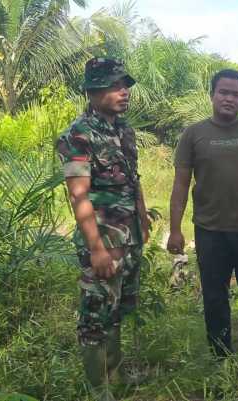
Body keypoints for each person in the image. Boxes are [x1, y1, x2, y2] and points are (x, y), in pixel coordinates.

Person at [167, 69, 238, 358]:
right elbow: (181, 185)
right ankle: (221, 356)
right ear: (212, 95)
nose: (230, 98)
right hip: (210, 231)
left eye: (236, 94)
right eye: (224, 92)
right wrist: (176, 229)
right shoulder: (194, 134)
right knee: (215, 297)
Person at [55, 57, 150, 401]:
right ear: (92, 90)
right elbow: (78, 195)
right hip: (104, 239)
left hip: (130, 237)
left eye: (125, 84)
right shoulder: (78, 134)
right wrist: (96, 247)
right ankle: (98, 390)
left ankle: (116, 374)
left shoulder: (124, 130)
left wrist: (142, 218)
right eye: (114, 85)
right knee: (95, 316)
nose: (124, 91)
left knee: (119, 309)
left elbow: (132, 179)